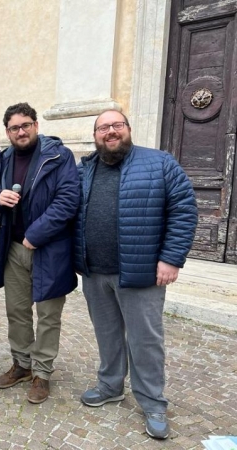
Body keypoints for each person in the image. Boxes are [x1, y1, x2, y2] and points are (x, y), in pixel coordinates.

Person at [74, 110, 198, 439]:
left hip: (141, 272)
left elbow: (184, 209)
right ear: (96, 134)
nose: (110, 132)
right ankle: (111, 386)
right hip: (94, 272)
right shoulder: (85, 169)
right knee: (107, 335)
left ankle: (153, 401)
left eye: (117, 125)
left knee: (145, 340)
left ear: (128, 129)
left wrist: (171, 259)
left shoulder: (159, 163)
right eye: (103, 128)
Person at [0, 102, 80, 404]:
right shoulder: (3, 158)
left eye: (25, 125)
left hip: (50, 250)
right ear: (8, 132)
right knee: (18, 311)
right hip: (12, 248)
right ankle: (22, 365)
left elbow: (68, 199)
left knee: (49, 315)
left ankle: (42, 373)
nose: (20, 131)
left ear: (36, 125)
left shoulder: (58, 156)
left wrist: (36, 235)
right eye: (14, 127)